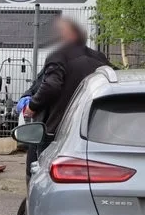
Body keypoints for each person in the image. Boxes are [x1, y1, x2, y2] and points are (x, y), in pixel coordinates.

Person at [16, 17, 110, 178]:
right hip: (93, 128)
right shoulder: (99, 58)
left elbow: (51, 85)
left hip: (55, 129)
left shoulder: (60, 56)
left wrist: (32, 106)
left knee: (40, 176)